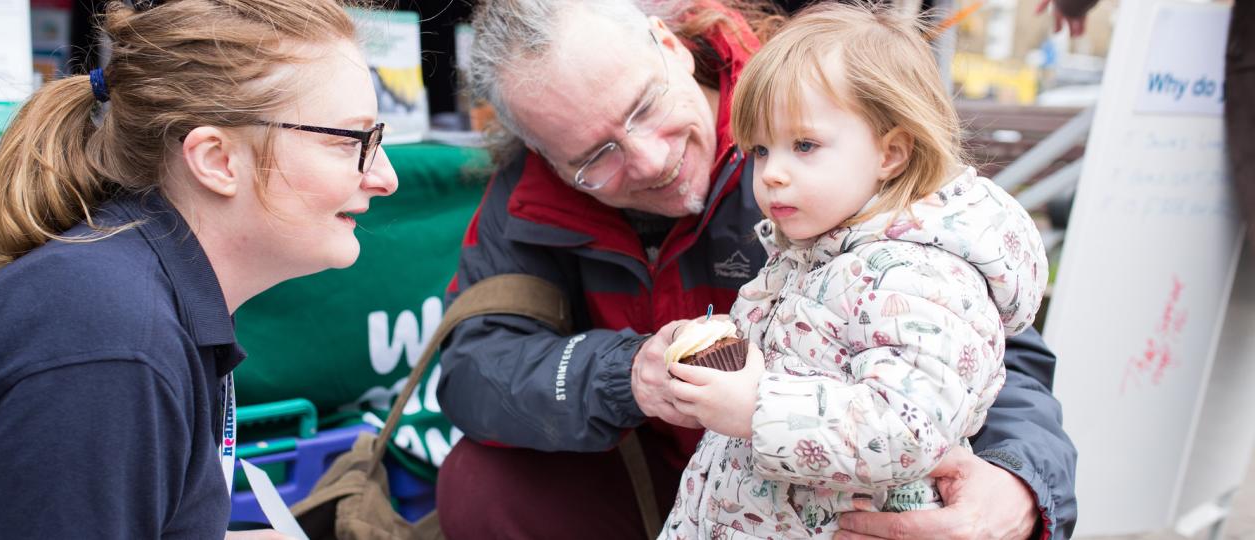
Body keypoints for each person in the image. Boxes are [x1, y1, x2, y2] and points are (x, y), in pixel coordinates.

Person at [435, 0, 1076, 538]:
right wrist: (624, 374)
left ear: (670, 44)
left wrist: (1018, 480)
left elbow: (990, 351)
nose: (651, 159)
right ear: (541, 154)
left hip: (839, 495)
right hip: (682, 488)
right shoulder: (528, 196)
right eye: (596, 155)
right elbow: (475, 369)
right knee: (481, 481)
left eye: (644, 107)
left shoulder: (819, 123)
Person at [0, 0, 397, 537]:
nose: (385, 176)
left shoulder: (133, 290)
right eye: (352, 142)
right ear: (217, 161)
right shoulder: (110, 345)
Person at [661, 3, 1048, 537]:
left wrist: (757, 406)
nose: (772, 174)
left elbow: (910, 428)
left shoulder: (919, 275)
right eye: (761, 149)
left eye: (804, 145)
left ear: (891, 153)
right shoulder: (810, 254)